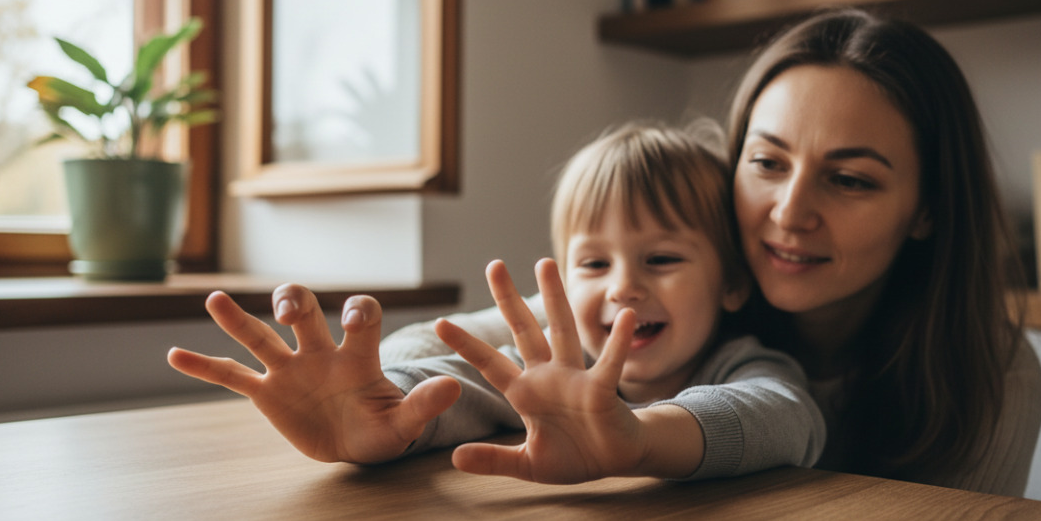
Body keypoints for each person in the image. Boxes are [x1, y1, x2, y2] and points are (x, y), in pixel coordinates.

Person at [382, 8, 1041, 496]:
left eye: (849, 179)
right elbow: (427, 353)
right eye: (766, 162)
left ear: (928, 208)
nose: (788, 213)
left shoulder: (995, 378)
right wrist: (376, 404)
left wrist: (638, 433)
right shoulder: (672, 293)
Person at [168, 121, 825, 483]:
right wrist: (382, 409)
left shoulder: (742, 365)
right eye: (594, 263)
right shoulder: (547, 372)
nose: (623, 286)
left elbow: (782, 418)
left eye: (662, 259)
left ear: (733, 284)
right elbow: (456, 385)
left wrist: (641, 439)